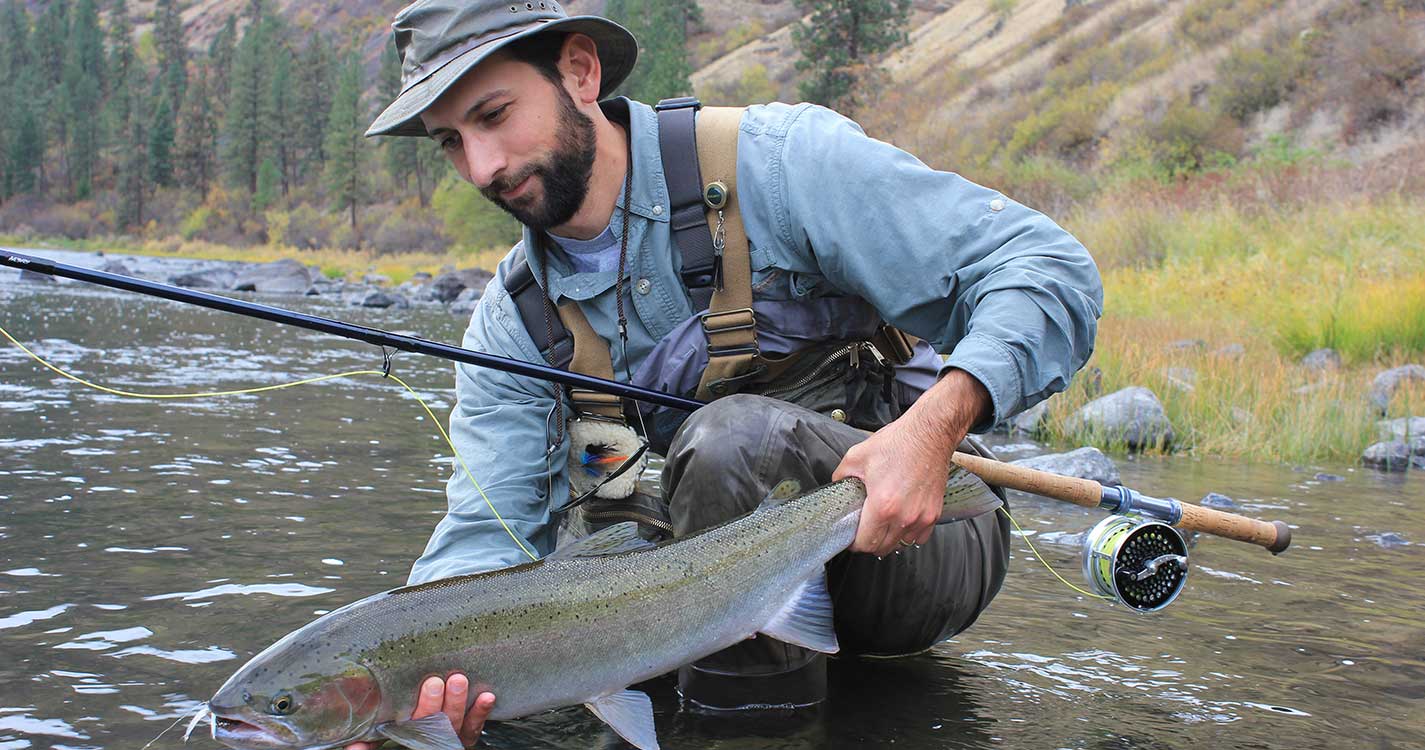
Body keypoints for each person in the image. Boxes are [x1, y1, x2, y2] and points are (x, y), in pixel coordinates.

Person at [353, 1, 1102, 746]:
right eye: (450, 141)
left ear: (578, 71)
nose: (482, 167)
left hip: (914, 544)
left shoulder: (776, 164)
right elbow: (488, 535)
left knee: (731, 439)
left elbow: (1048, 271)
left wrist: (935, 427)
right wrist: (401, 688)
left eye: (494, 115)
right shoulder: (511, 321)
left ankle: (748, 732)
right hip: (671, 608)